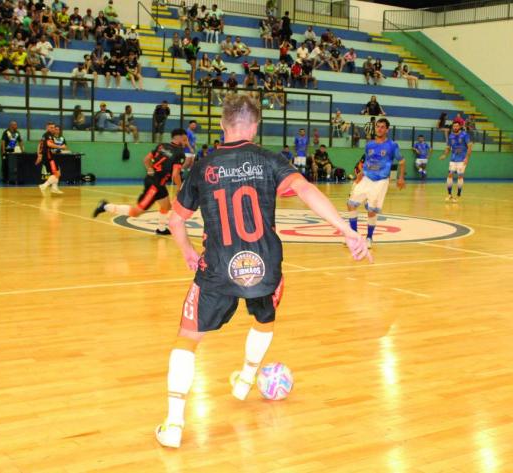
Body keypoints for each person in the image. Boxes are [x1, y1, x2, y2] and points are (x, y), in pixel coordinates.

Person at [154, 94, 370, 449]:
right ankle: (246, 379)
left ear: (223, 125)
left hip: (218, 269)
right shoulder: (270, 160)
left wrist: (189, 252)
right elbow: (306, 189)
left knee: (187, 339)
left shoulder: (203, 165)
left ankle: (175, 424)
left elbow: (176, 220)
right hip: (265, 268)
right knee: (263, 320)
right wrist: (345, 231)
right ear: (255, 126)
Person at [93, 130, 187, 234]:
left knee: (166, 206)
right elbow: (175, 174)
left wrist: (150, 169)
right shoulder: (179, 153)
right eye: (184, 139)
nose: (186, 142)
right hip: (154, 186)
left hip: (155, 182)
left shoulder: (161, 146)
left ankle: (161, 229)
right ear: (178, 138)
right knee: (136, 212)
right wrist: (179, 187)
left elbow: (146, 160)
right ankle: (105, 206)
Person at [345, 118, 405, 248]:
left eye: (382, 127)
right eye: (378, 126)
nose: (379, 129)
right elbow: (367, 160)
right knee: (351, 204)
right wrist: (360, 174)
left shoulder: (392, 145)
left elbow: (401, 161)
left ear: (387, 129)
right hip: (366, 178)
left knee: (372, 211)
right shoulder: (369, 144)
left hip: (380, 181)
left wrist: (401, 178)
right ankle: (354, 236)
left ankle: (369, 238)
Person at [439, 121, 472, 202]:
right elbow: (448, 147)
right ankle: (449, 194)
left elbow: (470, 147)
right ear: (452, 127)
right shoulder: (451, 136)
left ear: (459, 126)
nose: (455, 127)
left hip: (462, 159)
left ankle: (458, 195)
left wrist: (467, 158)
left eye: (457, 126)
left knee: (460, 176)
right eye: (454, 126)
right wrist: (444, 155)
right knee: (449, 175)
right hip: (453, 159)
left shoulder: (465, 135)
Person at [36, 122, 67, 194]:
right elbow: (49, 144)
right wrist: (61, 147)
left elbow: (40, 145)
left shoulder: (45, 135)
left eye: (53, 127)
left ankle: (54, 188)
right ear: (47, 128)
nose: (53, 129)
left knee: (57, 171)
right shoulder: (48, 135)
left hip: (48, 155)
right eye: (51, 127)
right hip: (49, 157)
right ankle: (44, 185)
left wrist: (39, 155)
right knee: (57, 174)